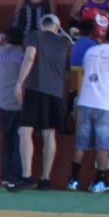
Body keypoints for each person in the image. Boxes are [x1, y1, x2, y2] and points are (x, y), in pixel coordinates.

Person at [15, 13, 72, 189]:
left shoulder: (35, 35)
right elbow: (66, 72)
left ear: (42, 24)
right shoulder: (64, 42)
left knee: (25, 130)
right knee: (49, 134)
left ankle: (27, 175)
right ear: (57, 26)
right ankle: (45, 178)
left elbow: (30, 57)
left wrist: (19, 83)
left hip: (36, 88)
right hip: (55, 92)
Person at [69, 30, 109, 192]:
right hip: (105, 104)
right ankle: (99, 181)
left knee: (80, 144)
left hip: (85, 100)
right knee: (103, 145)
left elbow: (86, 70)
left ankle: (73, 180)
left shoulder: (91, 51)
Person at [0, 27, 26, 190]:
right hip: (20, 102)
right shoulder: (24, 54)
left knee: (7, 140)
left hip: (2, 101)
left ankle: (6, 176)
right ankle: (16, 176)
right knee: (19, 141)